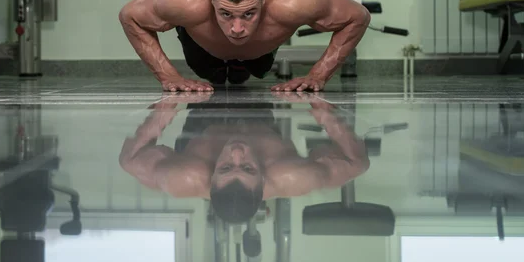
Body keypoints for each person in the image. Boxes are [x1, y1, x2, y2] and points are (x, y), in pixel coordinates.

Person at [119, 0, 370, 92]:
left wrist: (319, 75)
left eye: (249, 13)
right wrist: (167, 76)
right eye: (226, 14)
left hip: (258, 50)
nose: (237, 29)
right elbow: (129, 15)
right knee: (209, 73)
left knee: (254, 70)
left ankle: (241, 63)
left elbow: (358, 16)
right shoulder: (185, 0)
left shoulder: (294, 1)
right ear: (211, 0)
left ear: (264, 0)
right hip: (203, 46)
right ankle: (225, 62)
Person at [119, 91, 370, 224]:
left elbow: (129, 160)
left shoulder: (186, 177)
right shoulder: (292, 177)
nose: (237, 152)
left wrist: (160, 117)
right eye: (248, 168)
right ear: (263, 180)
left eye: (226, 166)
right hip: (260, 118)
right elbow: (358, 163)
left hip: (202, 123)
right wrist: (328, 118)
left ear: (211, 178)